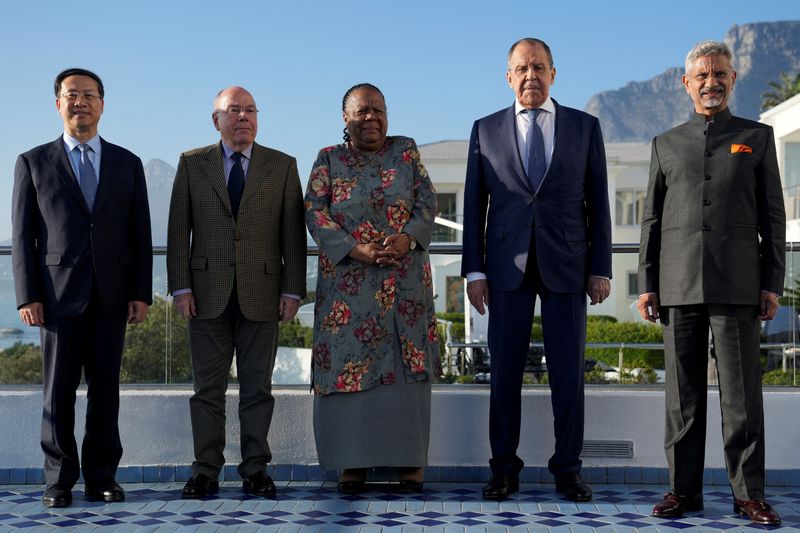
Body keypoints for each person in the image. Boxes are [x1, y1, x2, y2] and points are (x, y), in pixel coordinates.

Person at [637, 40, 784, 526]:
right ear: (687, 84)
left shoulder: (756, 138)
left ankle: (749, 494)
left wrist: (772, 282)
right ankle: (682, 491)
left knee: (742, 397)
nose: (710, 83)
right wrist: (648, 283)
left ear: (732, 79)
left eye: (719, 74)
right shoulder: (665, 143)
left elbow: (773, 218)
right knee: (682, 397)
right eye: (701, 76)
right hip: (678, 285)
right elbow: (651, 223)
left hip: (739, 284)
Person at [462, 38, 612, 502]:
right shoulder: (484, 130)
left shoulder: (585, 127)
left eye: (540, 68)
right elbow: (474, 206)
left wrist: (600, 267)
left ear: (554, 73)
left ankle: (568, 469)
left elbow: (598, 203)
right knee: (504, 374)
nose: (531, 76)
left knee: (568, 376)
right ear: (508, 76)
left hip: (568, 266)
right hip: (505, 270)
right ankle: (503, 469)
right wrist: (474, 271)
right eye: (522, 68)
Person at [12, 68, 153, 508]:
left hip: (112, 297)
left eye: (89, 95)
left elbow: (140, 234)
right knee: (57, 395)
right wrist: (26, 295)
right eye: (72, 95)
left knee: (105, 393)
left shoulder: (127, 163)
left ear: (103, 104)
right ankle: (57, 481)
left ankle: (101, 477)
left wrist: (141, 292)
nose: (81, 102)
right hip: (54, 298)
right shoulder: (33, 161)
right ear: (58, 104)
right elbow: (22, 237)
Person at [167, 86, 306, 499]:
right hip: (204, 294)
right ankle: (205, 470)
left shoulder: (282, 165)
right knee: (206, 391)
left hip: (263, 292)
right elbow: (178, 231)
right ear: (217, 120)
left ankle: (255, 469)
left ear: (257, 118)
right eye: (233, 110)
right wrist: (180, 287)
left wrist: (293, 290)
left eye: (250, 110)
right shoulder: (192, 163)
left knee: (257, 389)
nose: (242, 117)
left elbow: (292, 237)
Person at [304, 83, 440, 494]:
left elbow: (427, 201)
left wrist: (408, 238)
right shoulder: (328, 159)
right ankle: (352, 464)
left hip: (404, 286)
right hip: (348, 290)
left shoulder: (406, 151)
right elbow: (313, 210)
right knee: (348, 373)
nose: (371, 118)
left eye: (378, 110)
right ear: (345, 119)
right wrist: (356, 249)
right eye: (362, 111)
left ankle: (409, 462)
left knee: (404, 374)